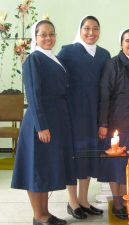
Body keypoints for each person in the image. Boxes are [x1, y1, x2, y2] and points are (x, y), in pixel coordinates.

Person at [11, 19, 75, 225]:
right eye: (43, 34)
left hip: (56, 118)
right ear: (35, 37)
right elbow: (33, 95)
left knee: (44, 168)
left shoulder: (54, 59)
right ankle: (38, 216)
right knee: (35, 169)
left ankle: (45, 213)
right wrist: (41, 126)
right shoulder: (33, 60)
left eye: (51, 34)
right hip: (40, 122)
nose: (48, 38)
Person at [57, 16, 110, 219]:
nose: (91, 32)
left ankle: (84, 200)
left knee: (88, 155)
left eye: (95, 28)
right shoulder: (67, 52)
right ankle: (72, 202)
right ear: (79, 29)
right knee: (74, 156)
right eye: (87, 28)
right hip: (74, 113)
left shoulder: (104, 54)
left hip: (95, 113)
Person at [99, 28, 129, 220]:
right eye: (127, 41)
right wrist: (103, 123)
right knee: (116, 167)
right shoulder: (113, 64)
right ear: (121, 43)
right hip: (117, 125)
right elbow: (104, 96)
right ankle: (118, 203)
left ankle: (128, 200)